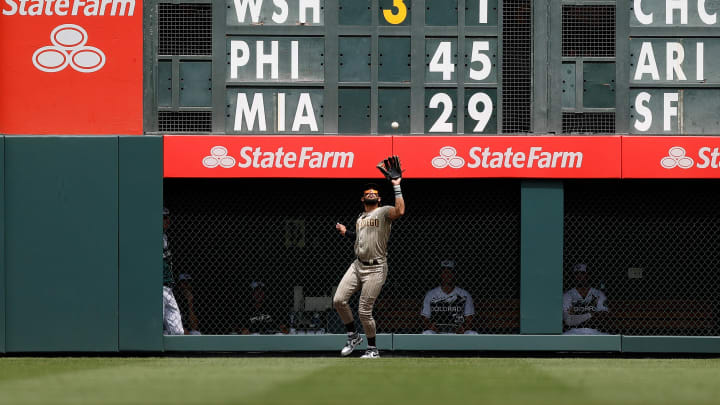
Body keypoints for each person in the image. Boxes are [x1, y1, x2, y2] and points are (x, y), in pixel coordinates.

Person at [333, 156, 405, 358]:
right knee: (339, 300)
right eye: (368, 193)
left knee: (364, 311)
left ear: (379, 199)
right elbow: (361, 239)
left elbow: (400, 210)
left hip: (376, 268)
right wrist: (346, 233)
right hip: (358, 265)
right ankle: (353, 336)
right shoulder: (360, 218)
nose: (371, 194)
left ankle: (373, 349)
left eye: (375, 193)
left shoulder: (383, 212)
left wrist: (396, 186)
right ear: (363, 199)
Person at [421, 260, 477, 335]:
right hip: (437, 332)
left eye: (450, 272)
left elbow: (469, 318)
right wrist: (431, 326)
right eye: (444, 272)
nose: (447, 275)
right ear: (440, 274)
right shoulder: (431, 294)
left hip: (458, 333)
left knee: (472, 334)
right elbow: (425, 317)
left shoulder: (464, 294)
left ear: (454, 274)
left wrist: (463, 328)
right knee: (426, 333)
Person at [563, 263, 609, 335]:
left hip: (595, 331)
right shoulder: (568, 295)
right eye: (576, 273)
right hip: (573, 331)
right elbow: (569, 321)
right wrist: (592, 315)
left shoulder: (598, 294)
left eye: (582, 273)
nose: (579, 276)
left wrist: (577, 316)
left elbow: (603, 317)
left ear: (588, 275)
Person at [163, 206, 184, 335]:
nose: (167, 220)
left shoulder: (164, 237)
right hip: (156, 287)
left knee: (178, 332)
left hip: (168, 289)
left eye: (167, 217)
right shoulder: (149, 237)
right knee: (153, 329)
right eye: (164, 218)